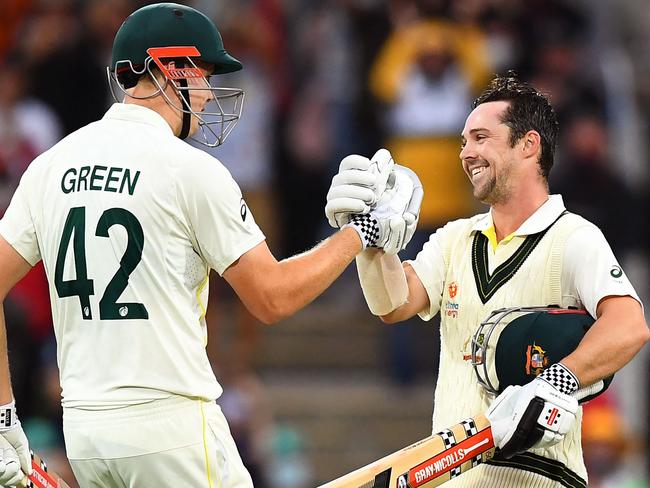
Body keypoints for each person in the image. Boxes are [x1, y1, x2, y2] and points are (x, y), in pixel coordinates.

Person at [0, 3, 421, 487]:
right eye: (201, 74)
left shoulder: (52, 164)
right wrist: (360, 233)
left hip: (86, 432)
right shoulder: (188, 169)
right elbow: (272, 297)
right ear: (168, 69)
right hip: (169, 425)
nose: (206, 93)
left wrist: (4, 414)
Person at [327, 73, 649, 487]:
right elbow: (393, 304)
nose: (466, 153)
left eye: (481, 138)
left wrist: (556, 380)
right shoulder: (455, 238)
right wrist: (370, 239)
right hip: (450, 474)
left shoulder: (574, 236)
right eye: (463, 141)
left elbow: (629, 325)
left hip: (540, 477)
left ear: (528, 145)